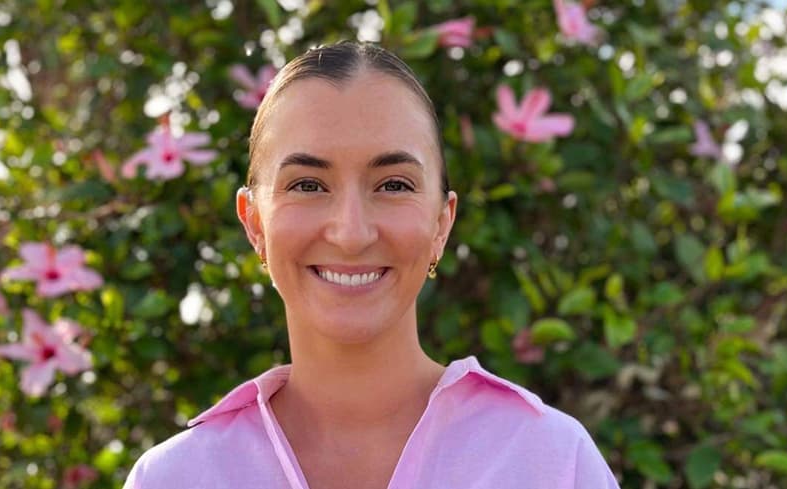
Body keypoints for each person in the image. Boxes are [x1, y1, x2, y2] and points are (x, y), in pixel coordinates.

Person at [124, 41, 620, 489]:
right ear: (254, 223)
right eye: (307, 185)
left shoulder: (551, 461)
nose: (351, 233)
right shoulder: (173, 478)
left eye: (394, 185)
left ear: (441, 224)